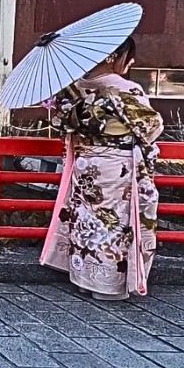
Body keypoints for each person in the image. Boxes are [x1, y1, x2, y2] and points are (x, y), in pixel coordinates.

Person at [41, 36, 163, 301]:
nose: (129, 63)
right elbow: (151, 127)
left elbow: (63, 124)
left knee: (87, 221)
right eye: (127, 57)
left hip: (85, 165)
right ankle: (107, 286)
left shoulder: (71, 90)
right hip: (114, 167)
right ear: (112, 56)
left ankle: (85, 278)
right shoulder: (125, 89)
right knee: (114, 224)